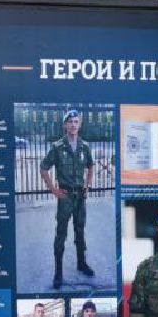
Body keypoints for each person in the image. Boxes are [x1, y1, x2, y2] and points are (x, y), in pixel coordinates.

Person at [40, 108, 97, 288]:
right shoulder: (57, 147)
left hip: (80, 196)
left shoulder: (84, 146)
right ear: (65, 125)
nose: (73, 125)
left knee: (80, 232)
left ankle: (81, 263)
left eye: (76, 122)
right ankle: (58, 272)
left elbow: (90, 166)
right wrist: (53, 190)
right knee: (61, 234)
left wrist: (88, 184)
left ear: (79, 125)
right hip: (64, 197)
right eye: (70, 122)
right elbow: (43, 168)